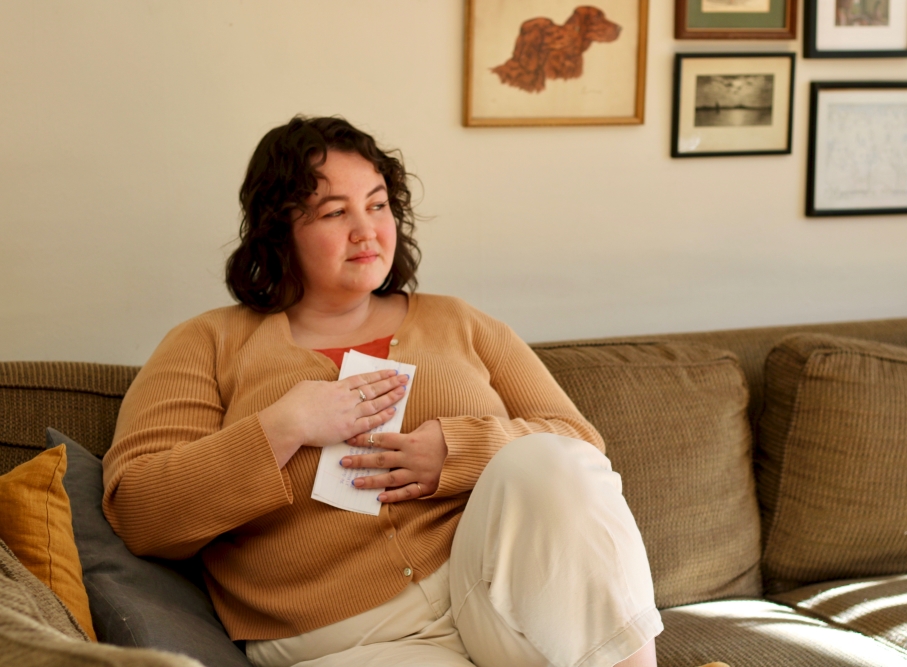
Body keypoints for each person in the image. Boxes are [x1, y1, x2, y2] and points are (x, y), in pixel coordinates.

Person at [102, 116, 664, 667]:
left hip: (492, 594)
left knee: (548, 460)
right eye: (334, 212)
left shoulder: (458, 321)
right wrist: (282, 428)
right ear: (280, 230)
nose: (367, 230)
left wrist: (458, 451)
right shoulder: (209, 342)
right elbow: (141, 512)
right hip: (345, 640)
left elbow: (578, 446)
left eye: (376, 205)